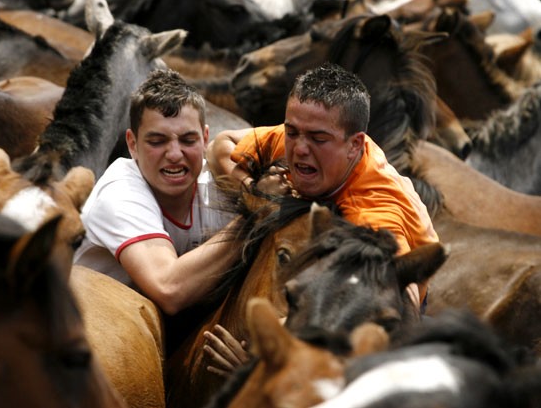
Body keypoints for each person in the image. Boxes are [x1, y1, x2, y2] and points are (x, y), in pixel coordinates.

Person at [203, 62, 439, 375]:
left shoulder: (373, 212)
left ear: (354, 145)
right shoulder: (304, 137)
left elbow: (395, 302)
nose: (300, 149)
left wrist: (266, 356)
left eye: (317, 138)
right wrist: (255, 192)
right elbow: (219, 145)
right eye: (292, 132)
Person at [74, 69, 243, 354]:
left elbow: (293, 133)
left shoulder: (219, 180)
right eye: (157, 141)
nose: (175, 154)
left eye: (188, 140)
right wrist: (252, 219)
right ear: (132, 144)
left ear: (205, 138)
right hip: (96, 342)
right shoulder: (119, 193)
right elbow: (169, 290)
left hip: (163, 339)